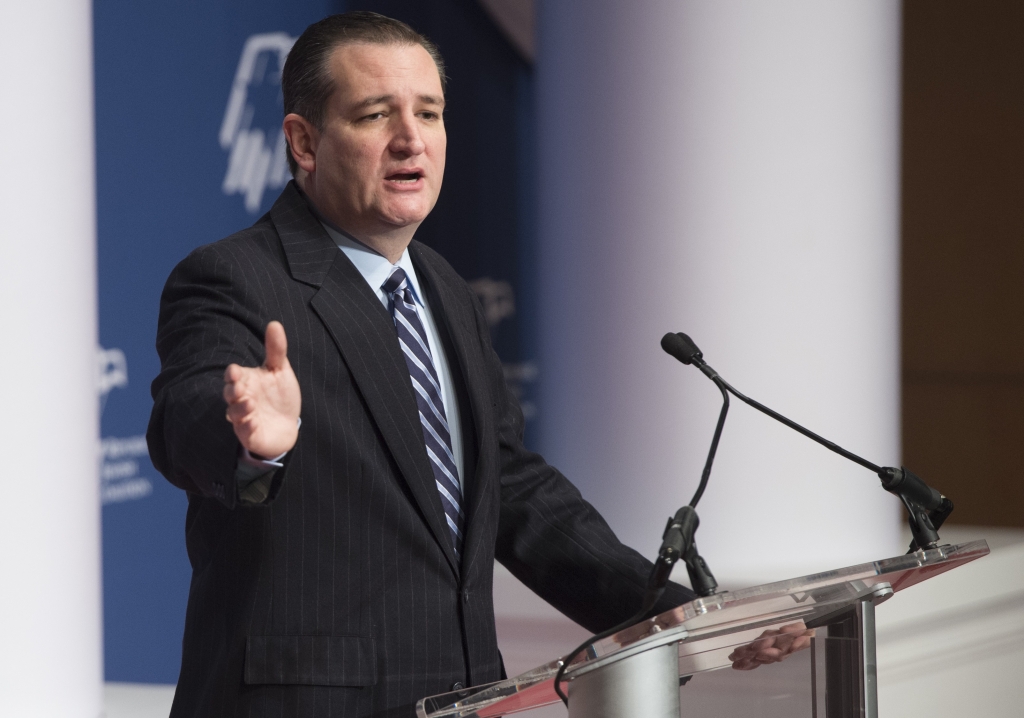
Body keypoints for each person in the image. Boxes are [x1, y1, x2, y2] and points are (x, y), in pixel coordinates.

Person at [147, 12, 807, 718]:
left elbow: (511, 487)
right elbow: (184, 425)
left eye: (428, 113)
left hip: (458, 697)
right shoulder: (233, 276)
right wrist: (249, 440)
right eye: (375, 114)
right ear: (305, 142)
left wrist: (671, 610)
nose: (411, 139)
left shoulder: (441, 288)